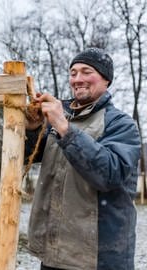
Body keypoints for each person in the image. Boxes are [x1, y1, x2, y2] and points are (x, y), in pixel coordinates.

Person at [24, 48, 141, 270]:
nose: (77, 79)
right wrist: (31, 130)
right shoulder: (58, 123)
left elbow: (109, 174)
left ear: (106, 79)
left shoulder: (122, 124)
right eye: (73, 73)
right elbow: (23, 159)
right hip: (55, 254)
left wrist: (64, 129)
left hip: (99, 259)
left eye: (86, 72)